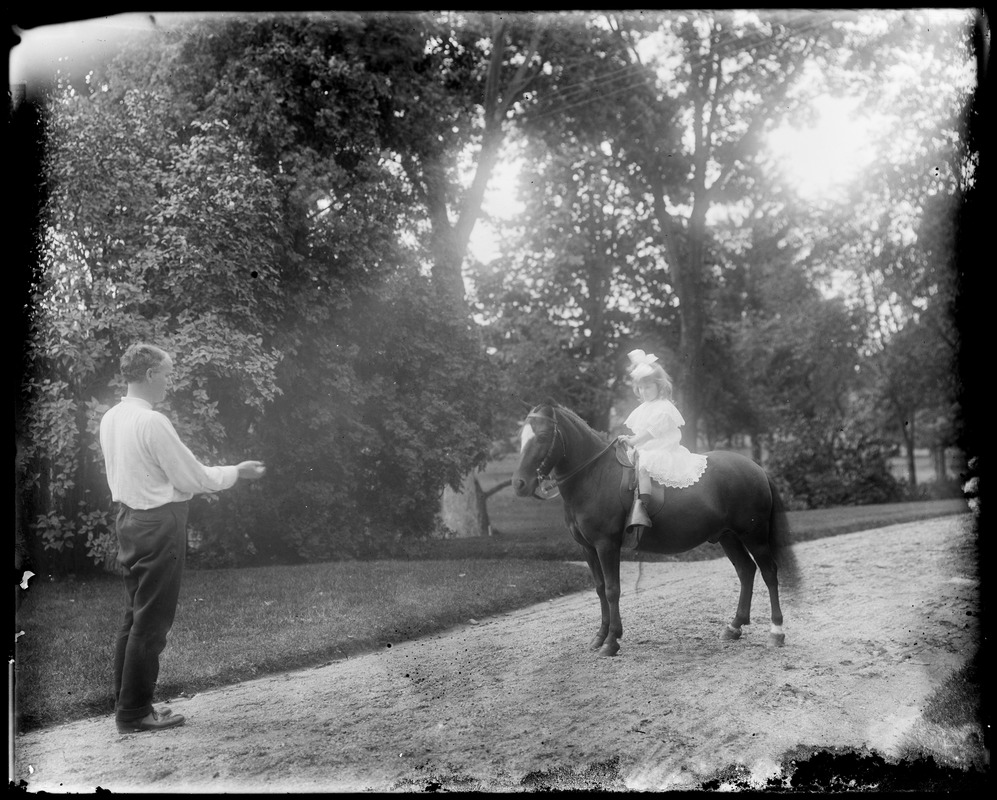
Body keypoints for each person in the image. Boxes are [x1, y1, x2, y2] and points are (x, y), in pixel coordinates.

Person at [99, 343, 267, 734]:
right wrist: (236, 471)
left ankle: (127, 705)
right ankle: (135, 713)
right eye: (168, 374)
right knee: (152, 622)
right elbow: (191, 477)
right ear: (150, 375)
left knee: (134, 616)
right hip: (159, 524)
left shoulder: (111, 417)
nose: (169, 382)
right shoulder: (152, 422)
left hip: (127, 520)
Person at [620, 350, 707, 547]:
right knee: (628, 462)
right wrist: (629, 439)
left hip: (663, 449)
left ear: (659, 386)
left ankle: (642, 508)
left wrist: (634, 441)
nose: (643, 392)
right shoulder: (644, 408)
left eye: (648, 387)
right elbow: (641, 435)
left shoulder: (664, 407)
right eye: (640, 388)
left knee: (643, 465)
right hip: (647, 448)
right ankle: (627, 505)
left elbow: (652, 432)